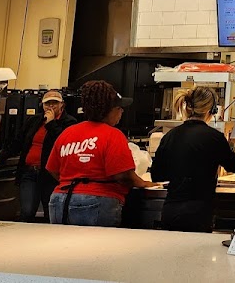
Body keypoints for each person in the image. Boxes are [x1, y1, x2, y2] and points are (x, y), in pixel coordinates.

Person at [45, 80, 156, 227]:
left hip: (59, 200)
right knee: (96, 249)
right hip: (97, 202)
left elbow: (53, 169)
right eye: (119, 108)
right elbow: (123, 175)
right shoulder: (113, 135)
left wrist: (75, 182)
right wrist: (143, 183)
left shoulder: (68, 133)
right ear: (109, 110)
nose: (122, 112)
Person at [151, 86, 235, 232]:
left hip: (171, 211)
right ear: (212, 110)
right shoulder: (214, 137)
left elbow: (156, 174)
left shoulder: (170, 136)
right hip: (198, 213)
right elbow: (232, 165)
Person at [0, 89, 76, 222]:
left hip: (52, 176)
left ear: (62, 104)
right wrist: (0, 156)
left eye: (54, 103)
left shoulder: (70, 122)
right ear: (42, 105)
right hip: (29, 172)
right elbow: (19, 142)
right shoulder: (34, 120)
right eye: (47, 103)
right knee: (27, 212)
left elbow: (63, 143)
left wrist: (51, 124)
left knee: (51, 213)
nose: (50, 106)